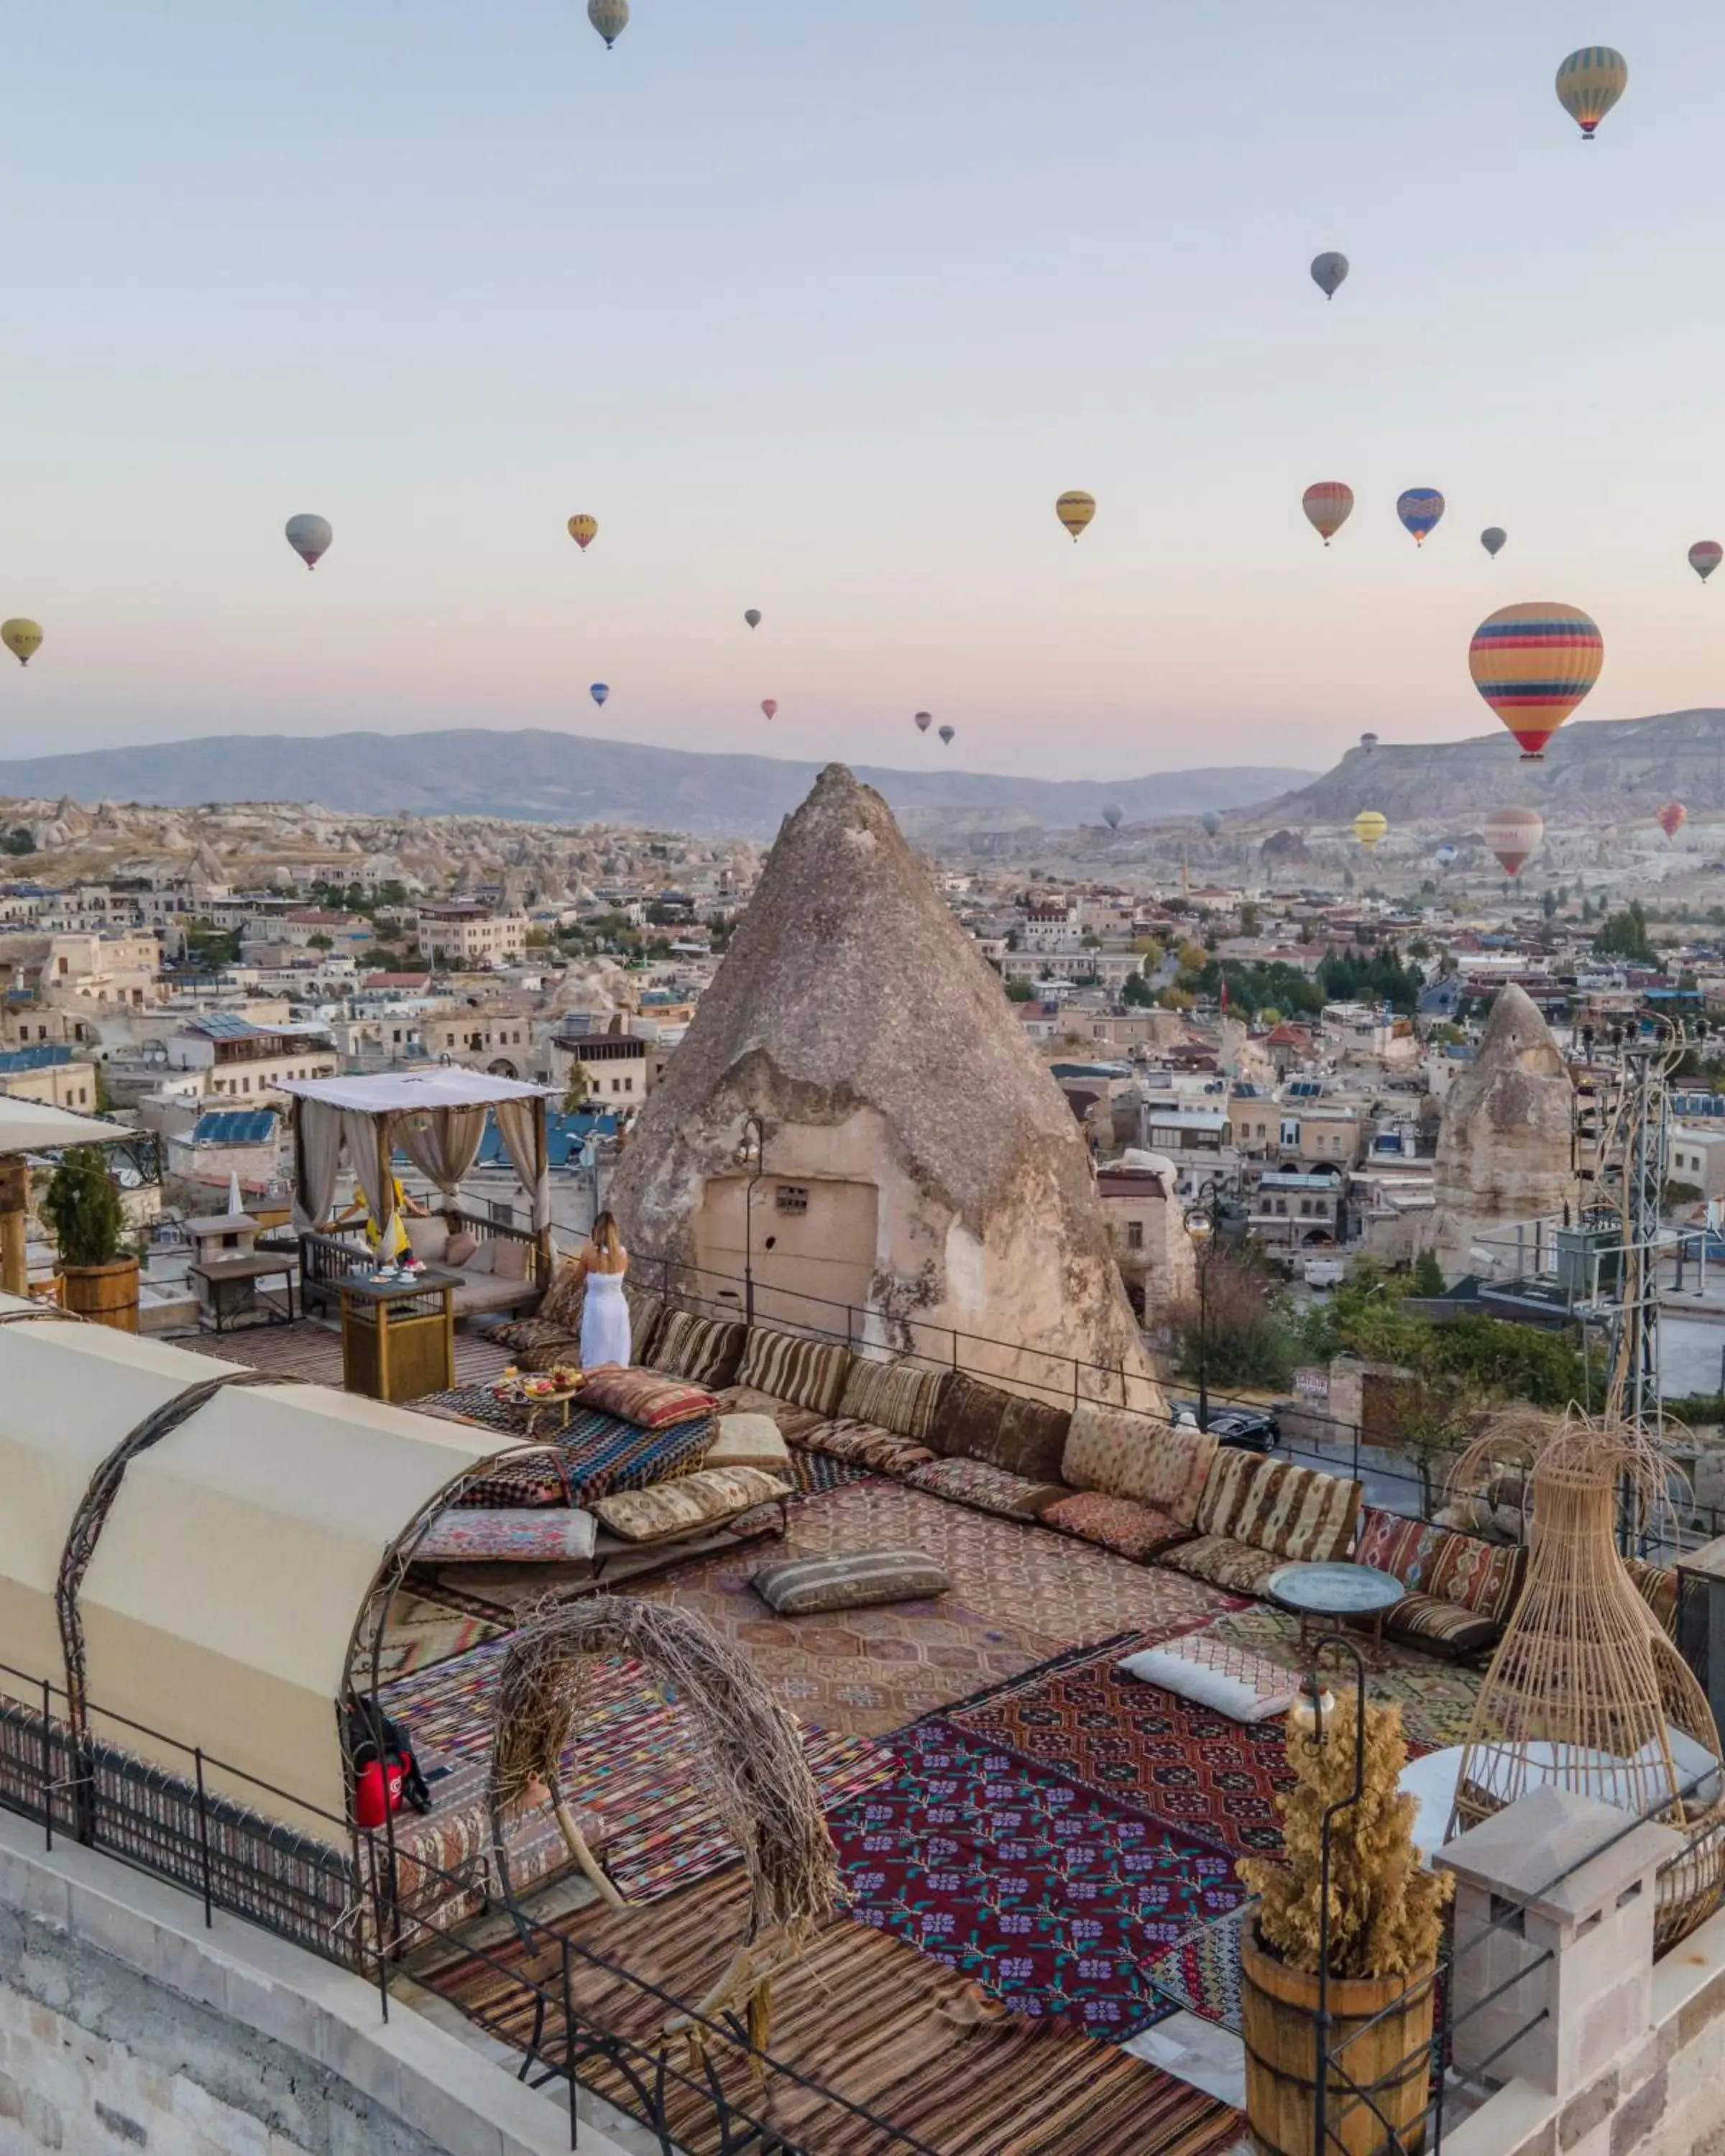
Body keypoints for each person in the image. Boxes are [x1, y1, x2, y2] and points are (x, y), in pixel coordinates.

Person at [576, 1210, 631, 1369]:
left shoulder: (589, 1254)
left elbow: (577, 1280)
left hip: (597, 1310)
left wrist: (587, 1246)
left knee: (595, 1354)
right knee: (617, 1353)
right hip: (618, 1308)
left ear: (596, 1230)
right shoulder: (623, 1254)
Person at [337, 1174, 428, 1265]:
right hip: (395, 1222)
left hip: (379, 1224)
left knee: (386, 1254)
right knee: (402, 1250)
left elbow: (355, 1208)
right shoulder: (394, 1182)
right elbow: (404, 1197)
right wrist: (416, 1210)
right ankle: (407, 1270)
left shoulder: (370, 1188)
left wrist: (338, 1220)